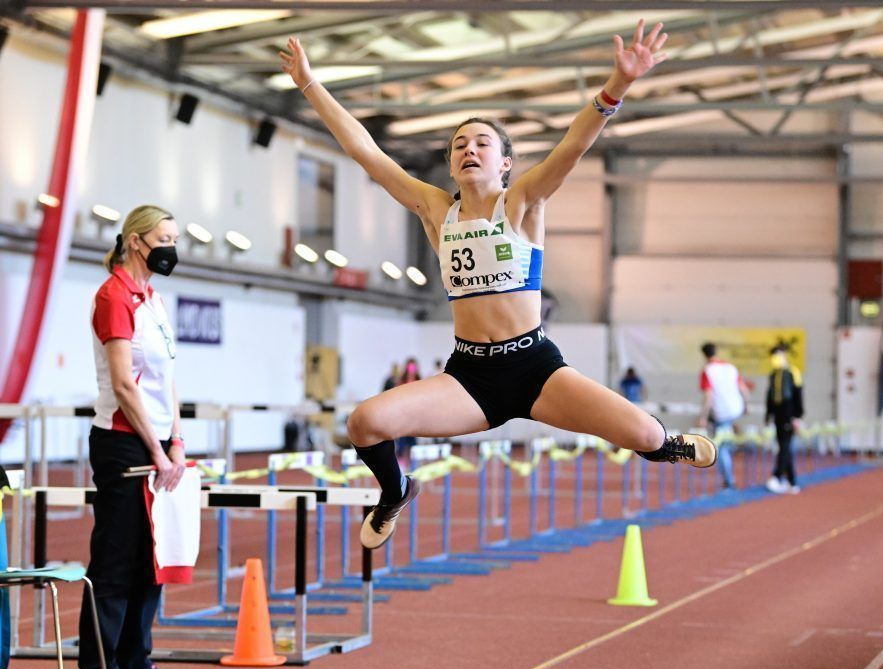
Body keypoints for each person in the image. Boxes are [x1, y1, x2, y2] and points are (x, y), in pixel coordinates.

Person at [279, 20, 716, 550]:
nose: (468, 149)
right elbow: (368, 153)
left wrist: (616, 86)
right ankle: (394, 492)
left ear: (505, 162)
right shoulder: (436, 210)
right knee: (364, 422)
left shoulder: (524, 201)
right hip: (470, 377)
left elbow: (573, 147)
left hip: (536, 368)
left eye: (482, 143)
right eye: (458, 144)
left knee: (646, 435)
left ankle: (664, 445)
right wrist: (309, 84)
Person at [76, 205, 185, 669]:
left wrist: (176, 442)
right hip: (122, 441)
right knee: (117, 557)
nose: (172, 246)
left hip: (158, 442)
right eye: (165, 237)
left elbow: (169, 380)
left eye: (176, 238)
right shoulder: (113, 296)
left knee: (152, 556)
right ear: (136, 241)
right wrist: (154, 452)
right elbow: (124, 384)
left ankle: (135, 658)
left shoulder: (155, 301)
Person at [696, 342, 750, 491]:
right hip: (736, 408)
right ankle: (732, 442)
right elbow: (744, 389)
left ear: (704, 355)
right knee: (727, 437)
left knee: (722, 447)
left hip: (722, 412)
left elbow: (708, 396)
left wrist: (703, 416)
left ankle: (729, 480)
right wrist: (746, 406)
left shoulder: (707, 370)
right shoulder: (730, 367)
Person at [764, 346, 803, 494]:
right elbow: (770, 397)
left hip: (789, 414)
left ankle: (777, 476)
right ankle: (792, 482)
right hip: (778, 415)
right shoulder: (773, 374)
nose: (775, 359)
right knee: (783, 446)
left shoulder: (793, 372)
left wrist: (797, 416)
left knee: (785, 446)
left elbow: (798, 395)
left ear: (785, 355)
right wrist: (768, 415)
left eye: (778, 355)